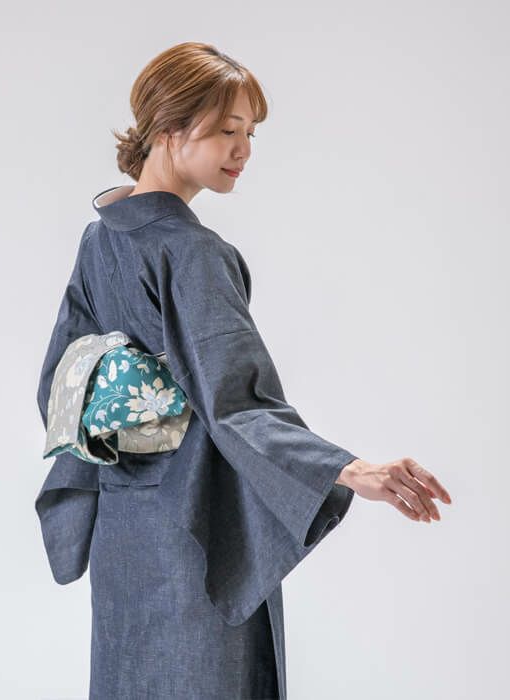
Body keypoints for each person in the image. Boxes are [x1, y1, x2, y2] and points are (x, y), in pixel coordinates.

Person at [34, 41, 452, 700]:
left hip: (124, 529)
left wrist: (129, 407)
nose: (244, 149)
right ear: (169, 128)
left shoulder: (101, 240)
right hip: (193, 533)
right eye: (227, 130)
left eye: (250, 133)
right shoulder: (193, 252)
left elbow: (60, 386)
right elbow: (235, 402)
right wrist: (348, 470)